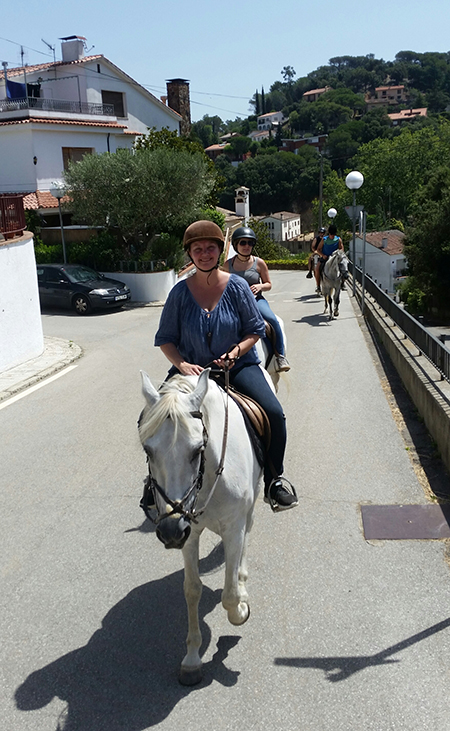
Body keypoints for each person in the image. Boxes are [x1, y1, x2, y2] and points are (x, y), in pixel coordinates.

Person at [154, 220, 298, 512]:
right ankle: (154, 484)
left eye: (210, 248)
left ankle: (274, 480)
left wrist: (235, 352)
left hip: (238, 366)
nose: (204, 254)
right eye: (198, 249)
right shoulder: (179, 294)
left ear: (219, 251)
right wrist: (182, 364)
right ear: (190, 254)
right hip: (190, 370)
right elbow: (166, 340)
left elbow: (255, 330)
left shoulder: (237, 287)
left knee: (274, 413)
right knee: (155, 418)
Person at [223, 226, 290, 373]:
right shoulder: (228, 265)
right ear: (235, 245)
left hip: (256, 300)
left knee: (272, 320)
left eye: (250, 243)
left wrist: (260, 287)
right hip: (234, 303)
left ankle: (280, 356)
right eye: (243, 243)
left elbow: (269, 284)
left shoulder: (259, 263)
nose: (247, 246)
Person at [315, 224, 344, 294]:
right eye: (331, 235)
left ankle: (343, 283)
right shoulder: (324, 239)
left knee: (343, 267)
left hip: (335, 258)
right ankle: (318, 286)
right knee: (317, 268)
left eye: (333, 235)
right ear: (329, 234)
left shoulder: (338, 239)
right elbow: (318, 249)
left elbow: (341, 248)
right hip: (325, 257)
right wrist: (323, 255)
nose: (332, 236)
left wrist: (339, 253)